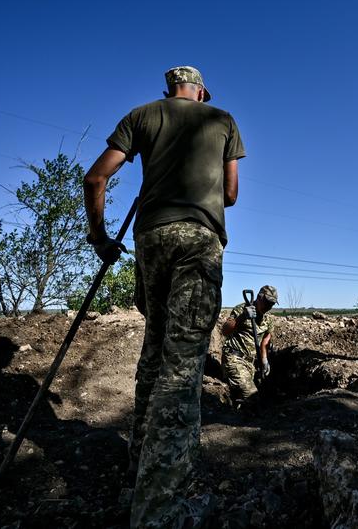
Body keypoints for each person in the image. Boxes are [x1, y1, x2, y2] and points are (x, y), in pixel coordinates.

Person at [83, 65, 245, 527]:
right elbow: (230, 194)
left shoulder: (141, 115)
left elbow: (96, 179)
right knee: (183, 363)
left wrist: (100, 239)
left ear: (168, 91)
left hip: (149, 238)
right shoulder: (222, 120)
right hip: (199, 237)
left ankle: (137, 474)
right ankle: (161, 508)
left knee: (154, 351)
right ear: (200, 93)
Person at [220, 285, 278, 408]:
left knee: (244, 397)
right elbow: (225, 330)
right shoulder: (241, 309)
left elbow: (266, 339)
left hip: (250, 364)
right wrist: (243, 316)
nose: (269, 307)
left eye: (272, 304)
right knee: (252, 396)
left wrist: (264, 359)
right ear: (259, 297)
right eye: (267, 303)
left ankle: (238, 412)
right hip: (234, 359)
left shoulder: (267, 319)